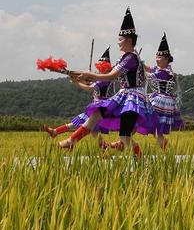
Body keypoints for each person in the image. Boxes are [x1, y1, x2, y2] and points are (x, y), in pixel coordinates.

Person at [58, 8, 152, 156]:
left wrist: (89, 75)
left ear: (128, 40)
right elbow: (105, 74)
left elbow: (110, 76)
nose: (118, 42)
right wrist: (80, 76)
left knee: (125, 137)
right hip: (125, 96)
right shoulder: (126, 57)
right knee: (96, 115)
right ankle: (71, 142)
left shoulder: (130, 58)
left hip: (132, 98)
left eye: (120, 39)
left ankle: (142, 163)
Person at [42, 46, 113, 148]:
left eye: (102, 69)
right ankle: (56, 132)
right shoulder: (103, 79)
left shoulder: (104, 80)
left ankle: (59, 135)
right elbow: (88, 83)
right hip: (97, 107)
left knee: (90, 130)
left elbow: (90, 88)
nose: (99, 71)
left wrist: (77, 83)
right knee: (86, 127)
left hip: (101, 108)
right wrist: (78, 79)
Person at [145, 32, 183, 150]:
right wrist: (139, 62)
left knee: (153, 125)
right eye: (156, 57)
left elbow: (148, 74)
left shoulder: (165, 72)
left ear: (166, 59)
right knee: (154, 128)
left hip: (161, 101)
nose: (157, 59)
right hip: (159, 99)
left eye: (159, 57)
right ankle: (165, 147)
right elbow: (148, 68)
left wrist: (138, 68)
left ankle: (166, 147)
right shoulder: (160, 69)